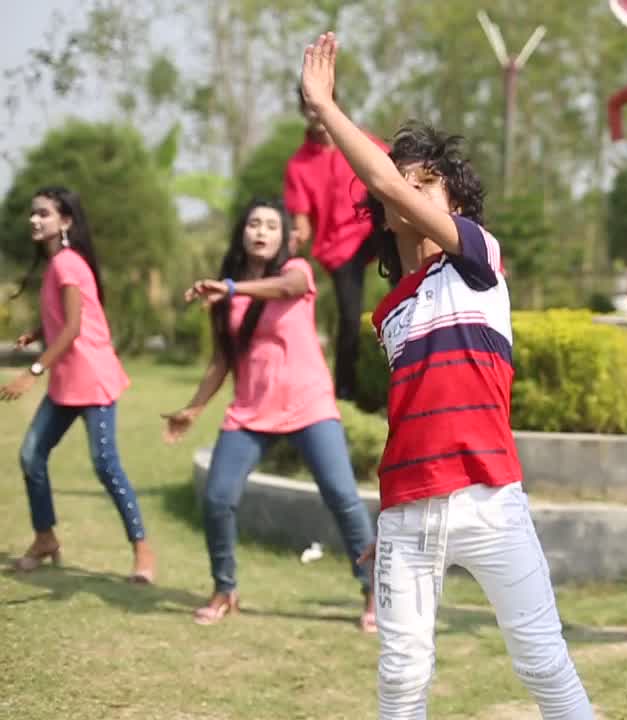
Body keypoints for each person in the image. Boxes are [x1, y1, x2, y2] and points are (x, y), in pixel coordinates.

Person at [300, 33, 593, 719]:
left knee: (542, 661)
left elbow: (376, 178)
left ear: (454, 205)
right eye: (402, 180)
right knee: (401, 680)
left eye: (425, 180)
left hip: (490, 500)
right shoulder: (388, 314)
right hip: (406, 509)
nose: (406, 188)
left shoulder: (478, 259)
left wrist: (326, 106)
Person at [163, 199, 376, 630]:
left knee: (342, 496)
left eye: (271, 226)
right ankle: (225, 589)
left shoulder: (297, 270)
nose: (261, 231)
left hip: (308, 403)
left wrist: (232, 288)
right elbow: (222, 360)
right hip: (251, 410)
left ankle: (375, 590)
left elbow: (288, 288)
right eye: (254, 224)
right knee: (218, 498)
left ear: (283, 238)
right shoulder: (227, 297)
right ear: (242, 232)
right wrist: (194, 408)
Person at [3, 186, 156, 583]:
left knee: (106, 465)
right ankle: (45, 538)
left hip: (92, 377)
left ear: (65, 221)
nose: (35, 220)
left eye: (44, 214)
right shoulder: (60, 264)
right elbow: (70, 315)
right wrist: (37, 332)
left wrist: (31, 371)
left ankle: (142, 550)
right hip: (67, 382)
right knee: (32, 456)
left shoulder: (67, 264)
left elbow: (72, 329)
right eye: (32, 214)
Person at [284, 82, 389, 401]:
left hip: (374, 229)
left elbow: (396, 175)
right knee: (349, 315)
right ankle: (345, 389)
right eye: (309, 107)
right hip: (339, 245)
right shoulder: (299, 165)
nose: (315, 112)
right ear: (303, 112)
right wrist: (295, 236)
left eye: (320, 104)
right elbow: (301, 216)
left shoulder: (358, 141)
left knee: (406, 269)